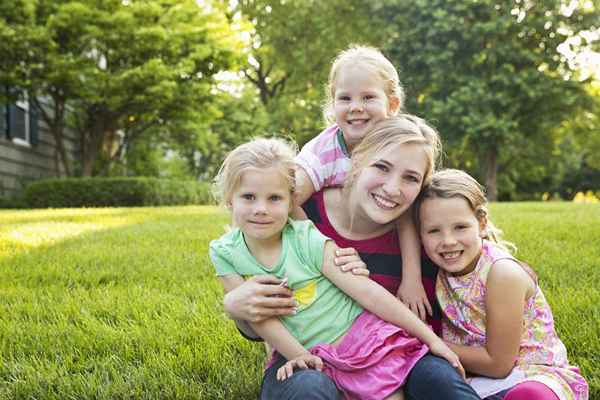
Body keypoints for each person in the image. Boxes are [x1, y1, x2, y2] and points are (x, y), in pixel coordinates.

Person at [220, 117, 482, 400]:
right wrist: (234, 305)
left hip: (384, 350)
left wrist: (435, 342)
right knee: (308, 387)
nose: (392, 188)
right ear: (356, 162)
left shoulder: (429, 239)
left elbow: (479, 272)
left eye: (410, 178)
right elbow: (259, 276)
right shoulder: (295, 213)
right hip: (305, 355)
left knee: (437, 378)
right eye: (381, 167)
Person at [415, 169, 589, 400]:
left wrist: (427, 341)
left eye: (460, 227)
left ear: (482, 223)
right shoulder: (439, 267)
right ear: (420, 235)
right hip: (478, 379)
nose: (447, 241)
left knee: (530, 395)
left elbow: (499, 364)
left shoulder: (501, 273)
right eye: (434, 231)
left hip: (531, 374)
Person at [295, 45, 432, 321]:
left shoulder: (401, 142)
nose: (356, 107)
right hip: (323, 241)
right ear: (333, 104)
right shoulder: (323, 151)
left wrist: (412, 278)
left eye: (368, 97)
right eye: (345, 98)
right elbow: (287, 197)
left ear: (392, 105)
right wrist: (324, 248)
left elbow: (405, 213)